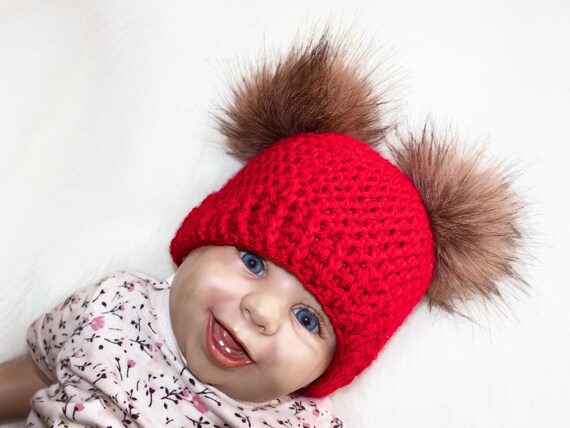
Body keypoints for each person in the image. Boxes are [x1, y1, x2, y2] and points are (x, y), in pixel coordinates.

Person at [0, 31, 525, 427]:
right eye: (253, 262)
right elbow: (38, 373)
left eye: (308, 318)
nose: (261, 310)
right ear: (201, 239)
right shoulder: (114, 308)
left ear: (328, 371)